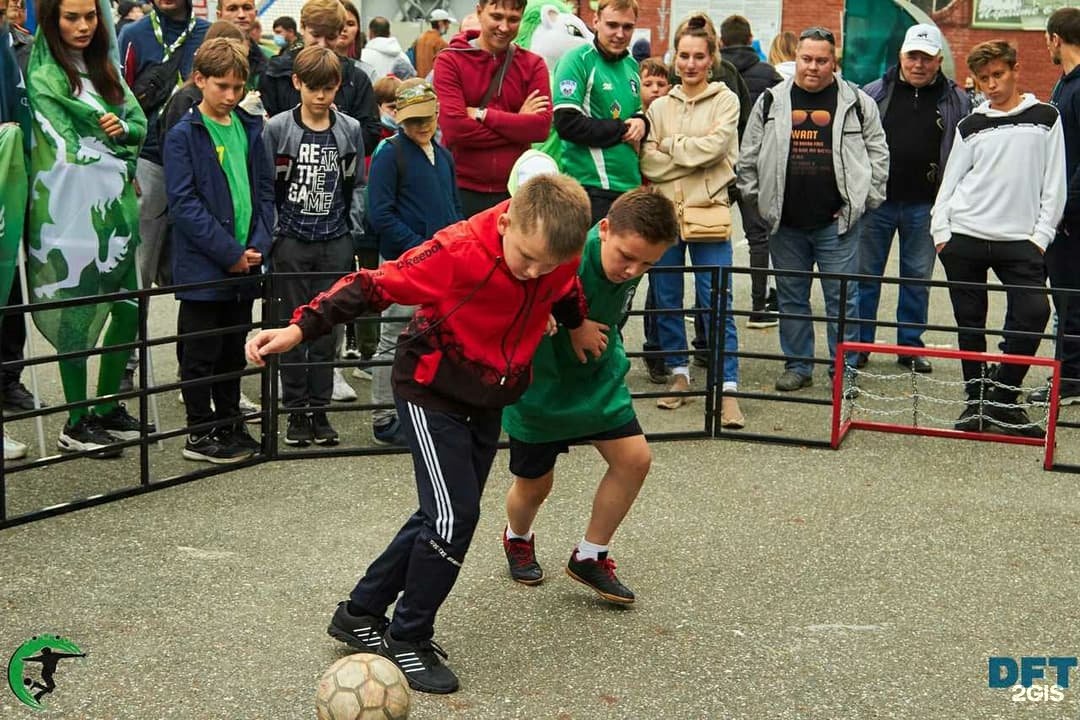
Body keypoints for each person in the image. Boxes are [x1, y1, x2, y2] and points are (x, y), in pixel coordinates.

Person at [246, 174, 595, 694]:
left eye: (547, 264)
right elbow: (372, 285)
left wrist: (576, 324)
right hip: (432, 387)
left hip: (488, 395)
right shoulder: (455, 251)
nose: (533, 272)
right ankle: (406, 637)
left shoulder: (556, 257)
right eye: (525, 257)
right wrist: (298, 328)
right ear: (504, 222)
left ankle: (359, 611)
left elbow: (565, 289)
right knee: (455, 517)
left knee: (439, 516)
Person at [501, 185, 678, 604]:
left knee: (635, 459)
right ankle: (517, 537)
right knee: (533, 486)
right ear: (603, 229)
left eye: (647, 263)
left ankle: (590, 555)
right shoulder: (566, 254)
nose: (632, 270)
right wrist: (559, 319)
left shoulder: (630, 264)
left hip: (598, 377)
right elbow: (514, 288)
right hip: (541, 385)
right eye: (625, 256)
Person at [27, 0, 152, 457]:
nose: (82, 26)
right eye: (71, 17)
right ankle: (77, 421)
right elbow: (71, 133)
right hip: (66, 214)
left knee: (126, 309)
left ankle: (107, 407)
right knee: (77, 317)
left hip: (114, 212)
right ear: (51, 20)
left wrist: (122, 130)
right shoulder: (44, 76)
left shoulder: (106, 71)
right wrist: (116, 133)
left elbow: (137, 125)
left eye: (90, 16)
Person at [737, 27, 888, 393]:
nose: (813, 67)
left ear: (833, 62)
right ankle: (798, 365)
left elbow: (878, 155)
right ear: (797, 58)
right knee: (791, 297)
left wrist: (864, 202)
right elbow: (749, 157)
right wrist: (760, 203)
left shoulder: (856, 102)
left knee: (842, 299)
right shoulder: (772, 100)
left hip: (837, 225)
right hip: (785, 224)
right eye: (807, 59)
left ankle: (845, 370)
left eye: (822, 60)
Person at [931, 40, 1065, 436]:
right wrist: (942, 232)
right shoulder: (970, 124)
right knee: (970, 323)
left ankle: (1003, 397)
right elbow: (950, 181)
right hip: (965, 234)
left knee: (1034, 312)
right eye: (984, 78)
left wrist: (1041, 236)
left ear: (1014, 69)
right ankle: (975, 401)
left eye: (998, 75)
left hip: (1021, 240)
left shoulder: (1045, 116)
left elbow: (1054, 183)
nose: (991, 85)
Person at [164, 38, 273, 462]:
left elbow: (265, 193)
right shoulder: (183, 134)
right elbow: (184, 203)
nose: (230, 96)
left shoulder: (249, 127)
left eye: (237, 87)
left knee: (232, 349)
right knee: (200, 351)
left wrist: (258, 244)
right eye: (222, 86)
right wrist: (229, 251)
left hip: (246, 263)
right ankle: (199, 430)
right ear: (199, 81)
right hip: (205, 266)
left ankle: (229, 421)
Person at [642, 13, 743, 426]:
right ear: (674, 57)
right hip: (665, 216)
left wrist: (672, 147)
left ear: (711, 58)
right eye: (683, 56)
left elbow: (717, 150)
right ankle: (679, 373)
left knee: (715, 298)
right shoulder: (660, 105)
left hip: (709, 216)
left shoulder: (726, 101)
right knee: (666, 296)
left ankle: (728, 383)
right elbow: (649, 159)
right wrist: (692, 156)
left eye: (698, 56)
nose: (689, 64)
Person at [263, 46, 367, 447]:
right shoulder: (278, 130)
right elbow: (268, 186)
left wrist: (350, 231)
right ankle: (294, 410)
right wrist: (273, 235)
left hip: (334, 240)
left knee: (327, 328)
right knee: (292, 325)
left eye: (329, 88)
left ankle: (319, 410)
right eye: (313, 88)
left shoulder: (350, 128)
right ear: (297, 84)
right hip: (291, 239)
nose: (321, 97)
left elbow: (355, 184)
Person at [857, 24, 970, 375]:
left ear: (938, 61)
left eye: (926, 58)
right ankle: (860, 345)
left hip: (927, 204)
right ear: (901, 56)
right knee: (865, 277)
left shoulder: (957, 100)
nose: (918, 64)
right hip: (877, 203)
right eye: (912, 56)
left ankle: (909, 346)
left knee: (917, 278)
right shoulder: (873, 93)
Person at [365, 78, 462, 446]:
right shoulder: (391, 152)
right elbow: (381, 215)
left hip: (440, 261)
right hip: (404, 262)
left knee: (435, 334)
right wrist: (421, 248)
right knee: (394, 335)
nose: (420, 126)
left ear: (437, 114)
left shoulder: (444, 156)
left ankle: (423, 407)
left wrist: (452, 246)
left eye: (427, 118)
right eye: (412, 120)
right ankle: (383, 415)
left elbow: (453, 207)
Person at [433, 0, 552, 216]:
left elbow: (541, 128)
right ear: (479, 12)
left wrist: (482, 114)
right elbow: (456, 131)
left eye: (513, 19)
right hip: (461, 191)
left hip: (516, 192)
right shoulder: (449, 60)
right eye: (497, 17)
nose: (504, 27)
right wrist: (518, 123)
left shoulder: (533, 65)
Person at [552, 0, 644, 224]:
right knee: (592, 259)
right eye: (612, 25)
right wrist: (623, 128)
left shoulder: (632, 65)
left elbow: (636, 114)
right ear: (596, 22)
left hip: (630, 189)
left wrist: (643, 122)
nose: (620, 34)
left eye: (627, 27)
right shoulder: (577, 60)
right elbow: (567, 123)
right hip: (590, 189)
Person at [720, 14, 782, 329]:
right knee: (758, 237)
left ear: (721, 42)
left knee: (709, 236)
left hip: (717, 163)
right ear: (750, 39)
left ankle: (707, 304)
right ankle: (759, 306)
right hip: (754, 164)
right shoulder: (768, 75)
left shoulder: (713, 72)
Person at [259, 0, 381, 159]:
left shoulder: (356, 78)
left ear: (340, 33)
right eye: (315, 35)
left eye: (330, 37)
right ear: (302, 28)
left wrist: (339, 127)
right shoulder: (275, 74)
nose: (322, 44)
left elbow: (370, 134)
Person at [1034, 8, 1080, 406]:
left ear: (1055, 39)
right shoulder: (1064, 84)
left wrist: (1067, 207)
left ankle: (1070, 381)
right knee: (1067, 299)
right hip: (1063, 212)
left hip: (1072, 218)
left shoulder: (1079, 87)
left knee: (1070, 300)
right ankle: (1068, 374)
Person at [636, 56, 671, 384]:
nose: (656, 90)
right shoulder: (634, 119)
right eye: (648, 84)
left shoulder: (667, 120)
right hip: (633, 205)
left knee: (659, 286)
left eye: (662, 84)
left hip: (659, 207)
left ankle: (656, 349)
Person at [216, 0, 267, 90]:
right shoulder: (203, 58)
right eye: (232, 9)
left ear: (255, 13)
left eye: (247, 8)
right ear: (219, 15)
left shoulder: (270, 58)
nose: (241, 15)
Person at [414, 8, 453, 78]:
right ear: (440, 23)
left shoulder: (419, 39)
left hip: (420, 83)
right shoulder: (441, 43)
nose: (448, 27)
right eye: (447, 23)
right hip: (433, 84)